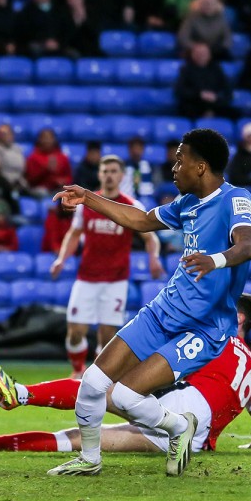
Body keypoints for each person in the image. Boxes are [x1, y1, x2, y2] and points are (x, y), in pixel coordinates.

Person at [48, 128, 251, 477]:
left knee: (129, 397)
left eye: (180, 160)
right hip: (162, 313)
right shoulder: (186, 203)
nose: (174, 167)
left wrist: (215, 260)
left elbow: (246, 245)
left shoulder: (236, 199)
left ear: (201, 167)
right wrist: (87, 197)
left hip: (203, 328)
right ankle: (91, 458)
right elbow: (141, 221)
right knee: (92, 384)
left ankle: (177, 428)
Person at [0, 294, 251, 455]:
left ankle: (20, 394)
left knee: (96, 388)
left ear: (238, 320)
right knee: (84, 437)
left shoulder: (213, 338)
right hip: (190, 439)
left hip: (181, 410)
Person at [51, 156, 163, 378]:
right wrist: (61, 259)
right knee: (75, 331)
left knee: (106, 335)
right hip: (86, 277)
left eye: (113, 171)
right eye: (105, 171)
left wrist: (154, 258)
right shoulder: (88, 203)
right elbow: (74, 233)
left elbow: (150, 237)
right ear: (99, 175)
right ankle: (77, 371)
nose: (109, 175)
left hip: (116, 280)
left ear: (121, 176)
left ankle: (94, 378)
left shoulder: (131, 205)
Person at [174, 42, 233, 120]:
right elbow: (180, 91)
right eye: (198, 53)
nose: (201, 56)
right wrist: (200, 94)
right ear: (193, 55)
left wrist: (216, 97)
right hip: (194, 104)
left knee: (234, 113)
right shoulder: (186, 69)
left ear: (209, 55)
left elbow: (227, 90)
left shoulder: (216, 69)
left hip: (214, 104)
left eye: (204, 53)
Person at [25, 128, 72, 197]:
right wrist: (46, 170)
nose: (47, 140)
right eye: (44, 138)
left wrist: (63, 181)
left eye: (50, 138)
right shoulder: (33, 157)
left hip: (58, 189)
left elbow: (69, 177)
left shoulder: (63, 157)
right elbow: (30, 180)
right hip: (40, 190)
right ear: (39, 140)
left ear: (54, 140)